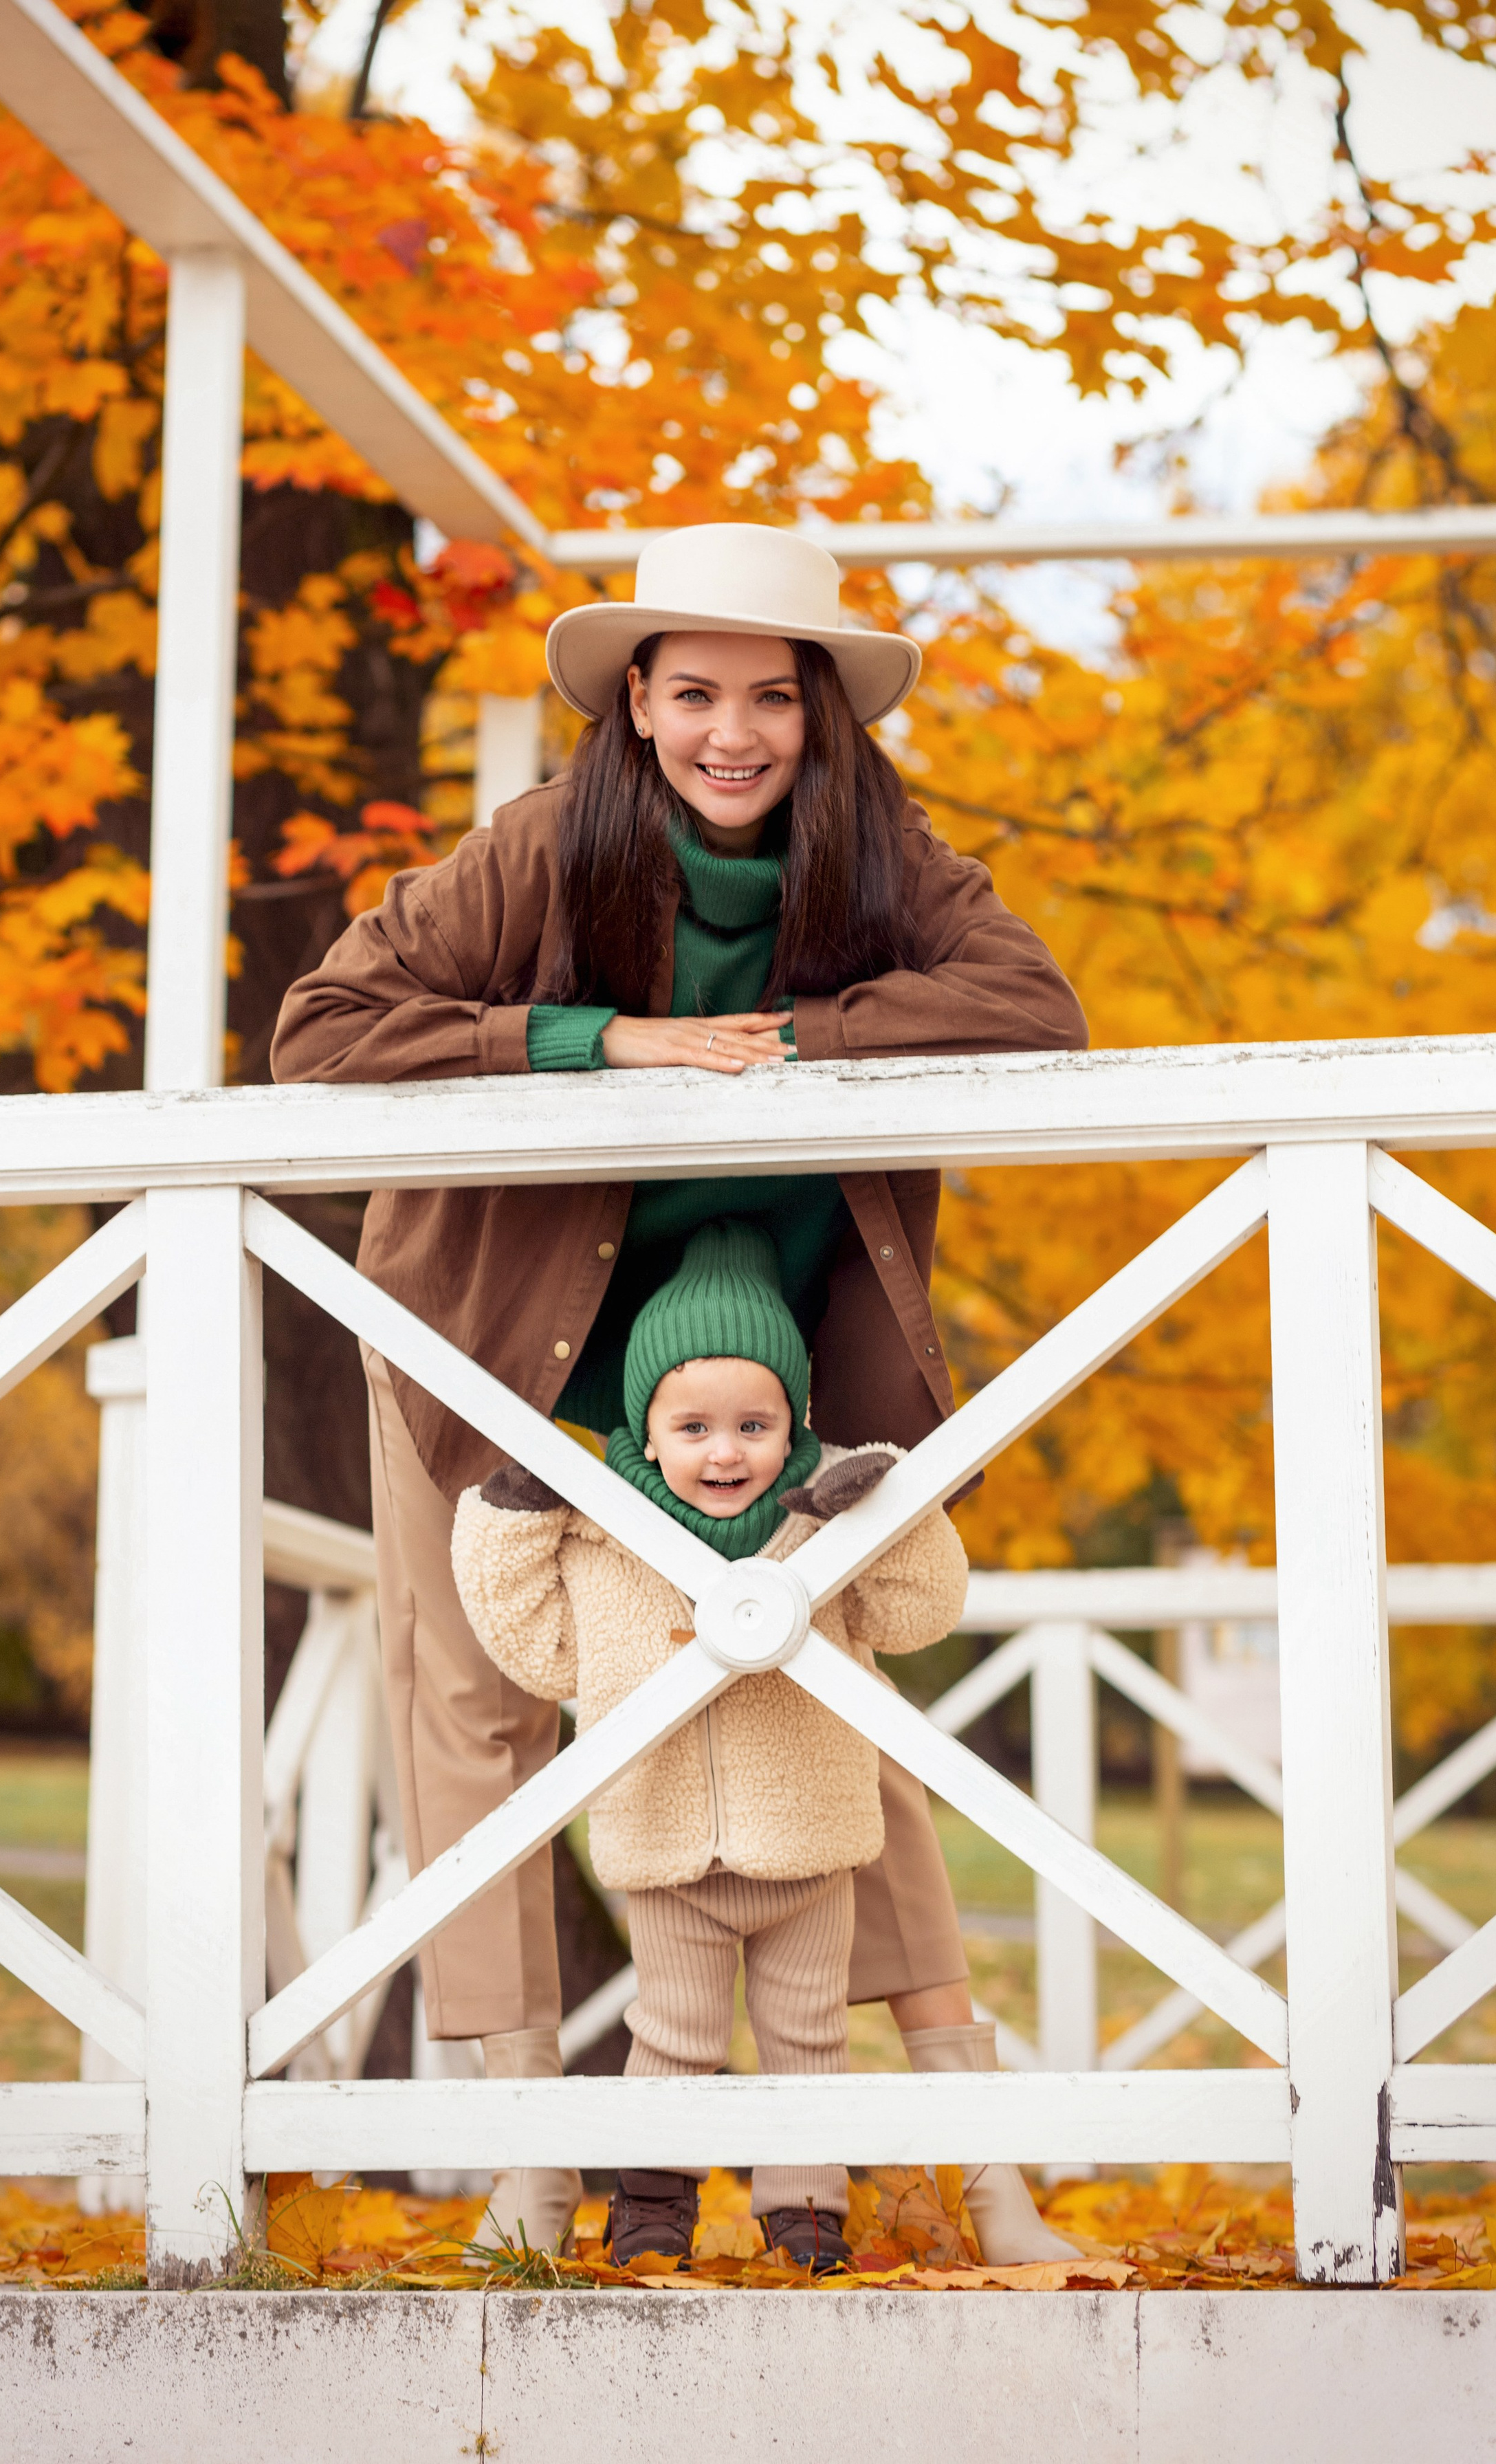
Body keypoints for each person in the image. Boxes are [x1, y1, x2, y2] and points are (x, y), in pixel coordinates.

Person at [270, 520, 1087, 2263]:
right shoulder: (545, 852)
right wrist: (601, 1043)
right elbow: (323, 1027)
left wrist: (804, 1036)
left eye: (770, 698)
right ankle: (530, 2168)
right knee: (475, 1720)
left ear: (817, 717)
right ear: (634, 700)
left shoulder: (873, 858)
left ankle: (972, 2157)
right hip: (488, 1346)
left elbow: (1032, 1002)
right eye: (695, 691)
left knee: (839, 1714)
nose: (733, 732)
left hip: (755, 1387)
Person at [453, 1221, 971, 2274]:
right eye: (693, 1427)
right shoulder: (604, 1544)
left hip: (809, 1844)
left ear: (795, 1428)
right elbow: (534, 1645)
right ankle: (652, 2203)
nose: (724, 1450)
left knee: (808, 2039)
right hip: (666, 1846)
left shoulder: (823, 1533)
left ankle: (807, 2210)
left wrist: (886, 1506)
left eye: (754, 1424)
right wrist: (513, 1513)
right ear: (646, 1435)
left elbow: (924, 1609)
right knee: (673, 2036)